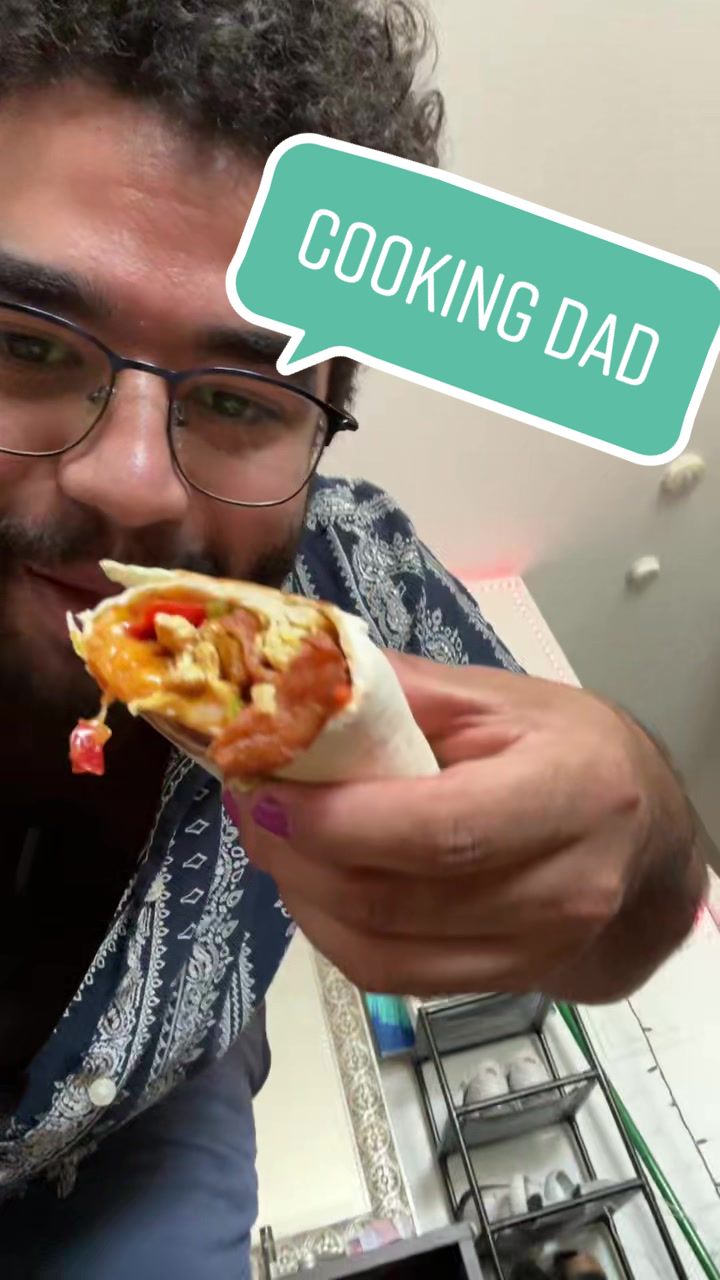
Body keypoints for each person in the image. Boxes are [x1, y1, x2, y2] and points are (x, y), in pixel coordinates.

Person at [0, 2, 705, 1276]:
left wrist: (642, 825)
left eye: (240, 399)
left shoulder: (349, 573)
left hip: (158, 1095)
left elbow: (636, 886)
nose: (134, 482)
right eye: (26, 345)